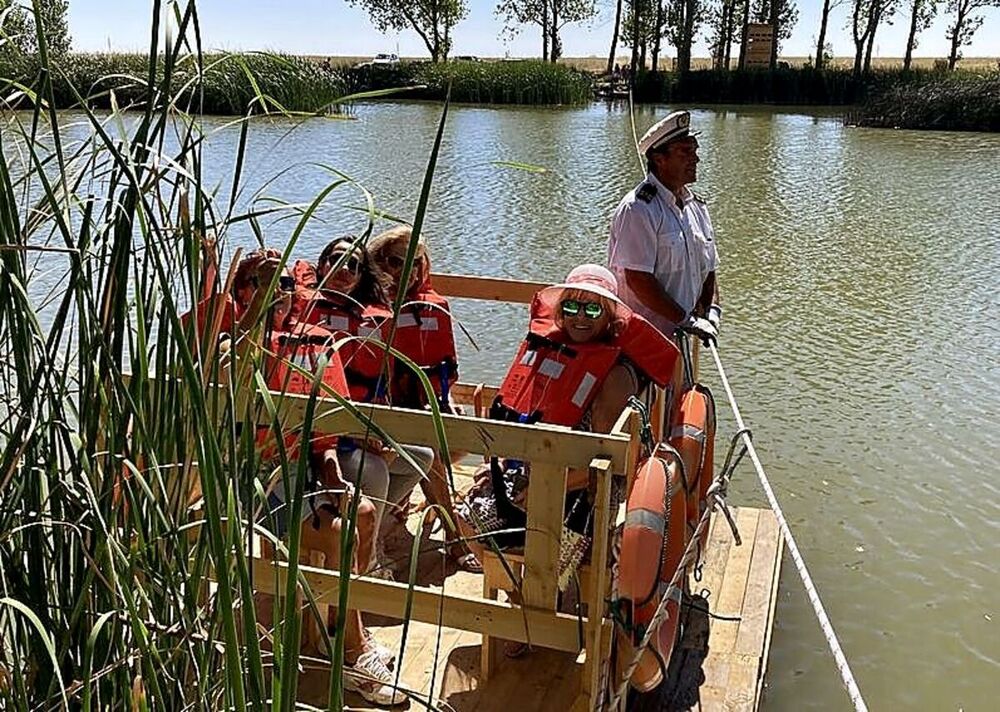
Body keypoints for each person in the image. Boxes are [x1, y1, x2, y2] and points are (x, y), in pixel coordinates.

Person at [456, 264, 677, 655]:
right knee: (465, 515)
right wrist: (498, 471)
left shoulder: (616, 376)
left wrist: (545, 487)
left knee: (548, 546)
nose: (579, 318)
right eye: (573, 307)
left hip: (585, 495)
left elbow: (611, 462)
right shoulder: (549, 348)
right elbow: (523, 418)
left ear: (610, 318)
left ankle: (540, 604)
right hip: (530, 477)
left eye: (593, 311)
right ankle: (520, 601)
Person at [223, 250, 404, 706]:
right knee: (341, 535)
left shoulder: (312, 345)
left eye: (283, 284)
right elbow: (231, 372)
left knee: (361, 512)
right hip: (256, 478)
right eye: (261, 283)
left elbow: (323, 432)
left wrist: (331, 473)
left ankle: (336, 633)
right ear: (243, 293)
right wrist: (258, 311)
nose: (276, 294)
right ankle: (354, 655)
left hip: (303, 472)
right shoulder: (235, 344)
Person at [291, 236, 435, 579]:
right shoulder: (297, 310)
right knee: (375, 471)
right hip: (316, 438)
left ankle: (373, 532)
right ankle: (365, 563)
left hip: (360, 431)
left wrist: (378, 434)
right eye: (336, 260)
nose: (344, 269)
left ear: (361, 276)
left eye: (353, 265)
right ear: (322, 265)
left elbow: (379, 388)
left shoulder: (373, 318)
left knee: (422, 456)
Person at [367, 226, 482, 573]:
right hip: (383, 413)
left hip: (427, 406)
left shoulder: (434, 307)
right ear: (378, 264)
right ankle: (453, 537)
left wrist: (439, 400)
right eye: (397, 262)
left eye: (416, 263)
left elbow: (447, 369)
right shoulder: (369, 310)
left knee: (446, 439)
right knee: (429, 451)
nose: (409, 271)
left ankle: (401, 518)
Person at [607, 110, 722, 346]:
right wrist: (685, 319)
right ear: (659, 159)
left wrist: (711, 311)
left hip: (681, 337)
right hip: (642, 341)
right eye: (685, 152)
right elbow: (638, 279)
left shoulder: (696, 207)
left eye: (695, 150)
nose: (696, 159)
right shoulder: (639, 209)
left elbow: (709, 270)